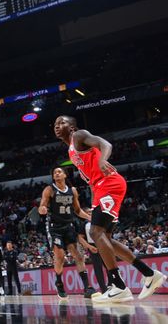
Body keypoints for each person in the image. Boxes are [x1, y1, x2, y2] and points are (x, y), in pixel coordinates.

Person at [55, 115, 165, 302]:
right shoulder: (71, 150)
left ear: (72, 127)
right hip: (100, 188)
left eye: (62, 123)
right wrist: (94, 199)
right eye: (55, 124)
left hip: (109, 183)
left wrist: (102, 160)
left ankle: (119, 286)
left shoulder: (79, 136)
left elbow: (105, 144)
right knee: (104, 238)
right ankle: (149, 274)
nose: (58, 126)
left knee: (96, 232)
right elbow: (90, 177)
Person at [37, 166, 94, 299]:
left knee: (78, 256)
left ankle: (87, 288)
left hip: (68, 226)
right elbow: (42, 205)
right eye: (54, 172)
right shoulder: (49, 189)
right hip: (54, 227)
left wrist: (89, 217)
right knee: (60, 257)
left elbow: (78, 210)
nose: (56, 173)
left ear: (65, 175)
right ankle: (59, 283)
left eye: (59, 172)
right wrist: (42, 209)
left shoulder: (72, 191)